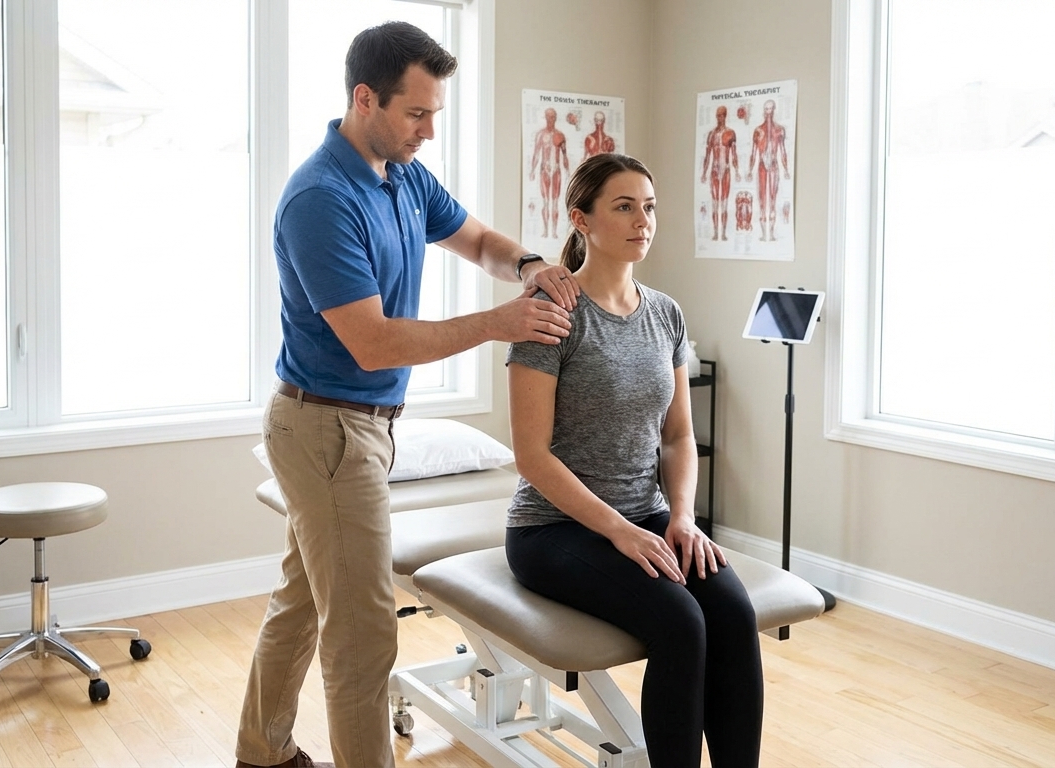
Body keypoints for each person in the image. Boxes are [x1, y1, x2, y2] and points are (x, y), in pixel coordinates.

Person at [236, 21, 581, 768]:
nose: (428, 131)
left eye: (435, 114)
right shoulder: (320, 199)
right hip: (325, 430)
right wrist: (500, 322)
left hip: (359, 424)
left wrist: (525, 264)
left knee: (300, 605)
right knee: (362, 637)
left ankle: (258, 753)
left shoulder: (403, 175)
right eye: (416, 114)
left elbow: (478, 239)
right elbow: (375, 342)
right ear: (366, 100)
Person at [505, 154, 764, 768]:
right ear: (581, 219)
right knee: (680, 622)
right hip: (553, 528)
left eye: (648, 207)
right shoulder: (551, 317)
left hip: (647, 516)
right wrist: (619, 531)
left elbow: (677, 436)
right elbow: (531, 456)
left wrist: (681, 516)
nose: (642, 220)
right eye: (623, 206)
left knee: (731, 612)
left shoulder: (665, 314)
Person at [748, 98, 791, 241]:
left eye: (771, 109)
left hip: (773, 166)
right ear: (763, 111)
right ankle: (763, 233)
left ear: (774, 110)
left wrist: (786, 169)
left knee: (772, 199)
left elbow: (783, 151)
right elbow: (753, 152)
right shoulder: (758, 131)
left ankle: (771, 234)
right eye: (766, 109)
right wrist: (749, 170)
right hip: (761, 166)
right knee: (762, 199)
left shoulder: (779, 130)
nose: (768, 112)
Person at [529, 106, 570, 238]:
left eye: (553, 117)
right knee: (546, 201)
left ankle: (554, 232)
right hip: (545, 169)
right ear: (545, 118)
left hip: (556, 170)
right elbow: (536, 154)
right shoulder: (540, 135)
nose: (550, 119)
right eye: (548, 116)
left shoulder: (560, 135)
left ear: (555, 118)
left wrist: (568, 171)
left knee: (555, 202)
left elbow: (564, 155)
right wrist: (532, 170)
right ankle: (546, 231)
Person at [700, 104, 740, 241]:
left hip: (726, 171)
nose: (719, 118)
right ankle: (716, 232)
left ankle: (723, 233)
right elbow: (707, 155)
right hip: (715, 171)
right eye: (718, 115)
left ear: (725, 116)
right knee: (715, 203)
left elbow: (734, 154)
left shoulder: (730, 133)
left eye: (722, 115)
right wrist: (704, 173)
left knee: (724, 203)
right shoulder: (711, 135)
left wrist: (738, 171)